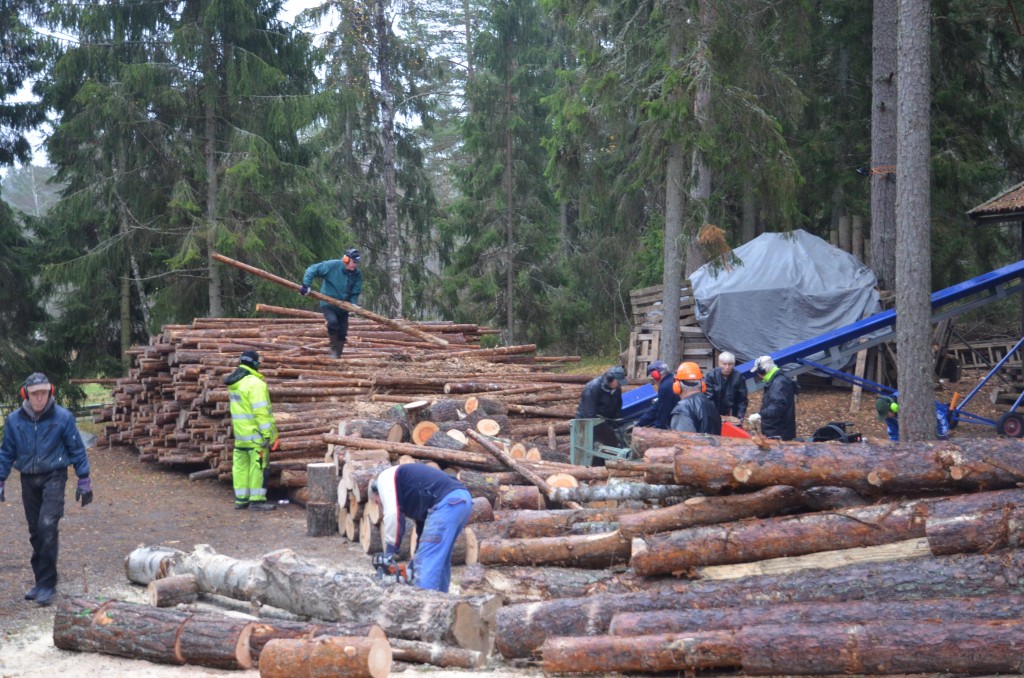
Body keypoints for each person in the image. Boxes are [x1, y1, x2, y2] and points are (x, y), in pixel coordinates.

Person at [0, 373, 92, 607]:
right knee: (35, 532)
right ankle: (40, 581)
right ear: (26, 395)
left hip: (54, 475)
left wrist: (84, 478)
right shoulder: (14, 420)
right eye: (34, 394)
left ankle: (48, 584)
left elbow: (76, 448)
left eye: (43, 393)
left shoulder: (63, 417)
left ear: (50, 392)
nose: (39, 398)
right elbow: (6, 452)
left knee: (47, 526)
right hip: (28, 479)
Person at [370, 463, 472, 593]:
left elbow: (392, 514)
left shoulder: (385, 479)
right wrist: (413, 565)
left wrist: (389, 551)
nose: (381, 506)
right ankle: (443, 603)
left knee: (427, 559)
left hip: (448, 503)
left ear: (377, 492)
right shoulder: (409, 492)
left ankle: (426, 606)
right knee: (439, 557)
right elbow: (423, 533)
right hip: (461, 500)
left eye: (378, 502)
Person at [224, 350, 278, 511]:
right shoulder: (255, 384)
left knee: (240, 467)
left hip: (240, 435)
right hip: (256, 436)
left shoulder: (234, 383)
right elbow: (261, 412)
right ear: (255, 364)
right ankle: (257, 500)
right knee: (259, 466)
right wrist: (268, 435)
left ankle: (241, 499)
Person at [299, 248, 363, 358]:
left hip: (343, 307)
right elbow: (313, 269)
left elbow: (356, 291)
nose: (355, 266)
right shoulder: (332, 266)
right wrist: (306, 285)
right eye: (353, 262)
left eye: (356, 263)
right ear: (346, 259)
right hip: (328, 304)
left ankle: (337, 356)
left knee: (343, 332)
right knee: (333, 323)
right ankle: (333, 347)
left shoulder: (357, 274)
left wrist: (352, 304)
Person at [576, 365, 628, 453]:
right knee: (588, 451)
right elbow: (588, 414)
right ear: (610, 379)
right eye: (618, 382)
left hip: (604, 423)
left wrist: (614, 427)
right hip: (586, 424)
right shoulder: (593, 387)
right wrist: (603, 431)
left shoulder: (616, 389)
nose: (619, 385)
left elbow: (617, 410)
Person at [747, 355, 797, 440]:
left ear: (764, 370)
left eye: (759, 371)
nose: (758, 374)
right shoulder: (776, 380)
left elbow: (778, 406)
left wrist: (760, 415)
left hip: (778, 432)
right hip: (777, 429)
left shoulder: (778, 383)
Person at [669, 362, 722, 434]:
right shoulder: (710, 404)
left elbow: (683, 442)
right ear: (702, 384)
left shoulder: (683, 409)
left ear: (677, 386)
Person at [875, 395, 950, 441]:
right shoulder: (888, 414)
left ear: (893, 408)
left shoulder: (910, 401)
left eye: (887, 415)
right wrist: (894, 447)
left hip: (942, 413)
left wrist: (942, 436)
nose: (887, 417)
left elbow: (939, 417)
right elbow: (894, 433)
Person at [634, 360, 679, 430]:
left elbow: (664, 411)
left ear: (656, 375)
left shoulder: (666, 387)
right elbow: (658, 405)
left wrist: (658, 428)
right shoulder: (670, 380)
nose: (653, 379)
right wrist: (642, 421)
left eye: (653, 376)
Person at [704, 352, 748, 422]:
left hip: (733, 413)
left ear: (733, 365)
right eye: (724, 364)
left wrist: (740, 416)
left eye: (730, 364)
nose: (727, 367)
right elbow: (709, 398)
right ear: (719, 363)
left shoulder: (738, 376)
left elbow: (742, 399)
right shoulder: (711, 375)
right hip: (715, 412)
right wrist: (715, 416)